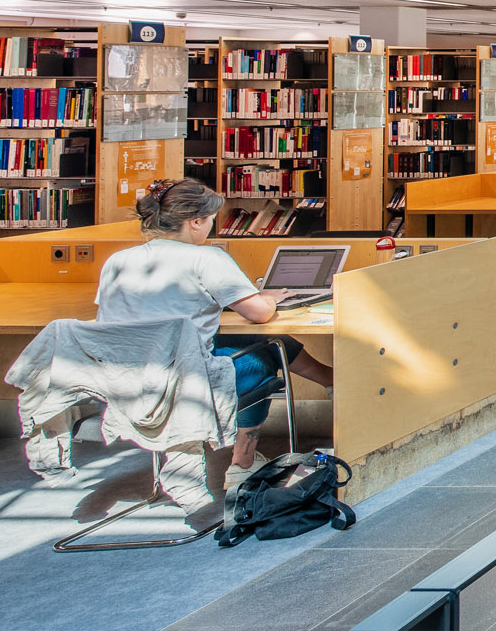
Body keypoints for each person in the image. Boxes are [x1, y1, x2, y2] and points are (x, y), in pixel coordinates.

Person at [95, 178, 335, 488]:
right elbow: (259, 314)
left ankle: (330, 380)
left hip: (130, 376)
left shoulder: (118, 261)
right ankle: (242, 464)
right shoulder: (206, 258)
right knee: (261, 358)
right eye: (210, 220)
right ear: (195, 222)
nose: (211, 226)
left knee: (261, 342)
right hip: (186, 376)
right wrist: (269, 298)